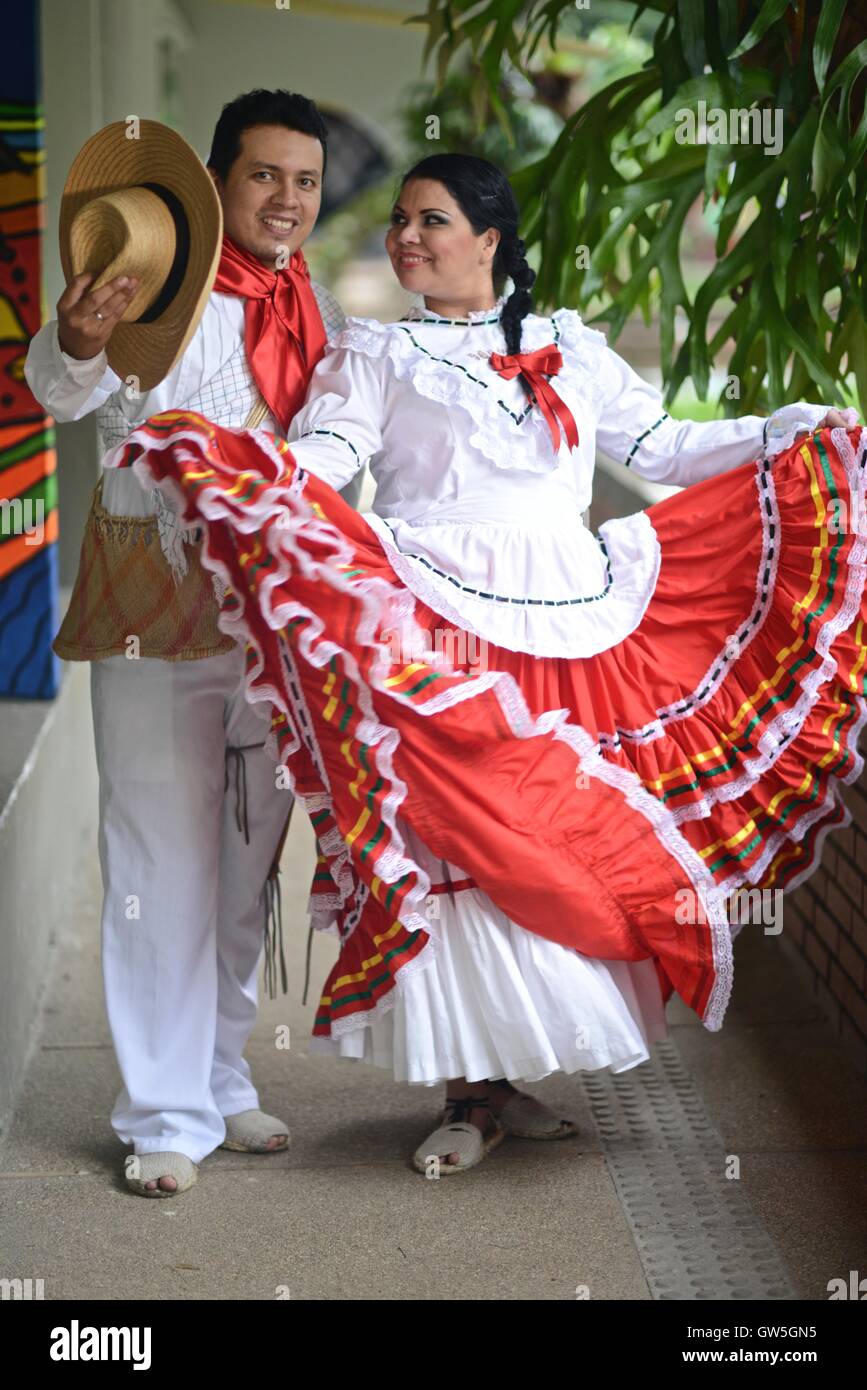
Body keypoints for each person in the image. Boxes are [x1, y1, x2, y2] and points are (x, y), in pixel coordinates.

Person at [110, 153, 865, 1177]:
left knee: (558, 840)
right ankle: (469, 1093)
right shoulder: (373, 353)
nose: (407, 238)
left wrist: (790, 430)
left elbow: (665, 447)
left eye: (431, 220)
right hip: (437, 612)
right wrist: (248, 466)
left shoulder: (569, 348)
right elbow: (328, 460)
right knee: (467, 839)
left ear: (490, 238)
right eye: (401, 221)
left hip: (574, 618)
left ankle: (502, 1087)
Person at [25, 90, 362, 1199]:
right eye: (265, 175)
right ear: (218, 181)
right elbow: (60, 387)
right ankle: (162, 1114)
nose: (287, 199)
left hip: (270, 619)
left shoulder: (312, 309)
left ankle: (217, 1080)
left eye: (305, 181)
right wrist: (74, 342)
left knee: (242, 866)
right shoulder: (159, 278)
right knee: (158, 859)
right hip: (149, 596)